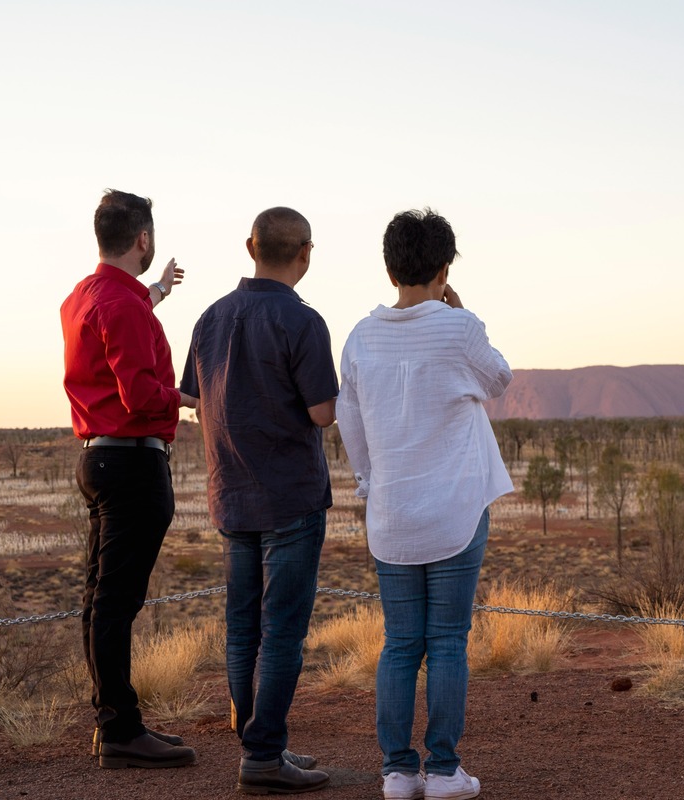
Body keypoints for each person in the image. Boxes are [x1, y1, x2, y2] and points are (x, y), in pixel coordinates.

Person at [336, 208, 513, 800]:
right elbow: (499, 380)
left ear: (390, 269)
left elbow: (350, 421)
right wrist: (457, 315)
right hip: (457, 511)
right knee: (447, 642)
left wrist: (369, 483)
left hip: (392, 512)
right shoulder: (460, 329)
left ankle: (396, 771)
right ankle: (442, 771)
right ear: (444, 268)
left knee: (399, 643)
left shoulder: (361, 336)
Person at [181, 207, 337, 795]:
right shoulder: (303, 322)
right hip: (289, 498)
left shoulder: (211, 317)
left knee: (242, 626)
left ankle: (258, 743)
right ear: (306, 253)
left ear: (251, 247)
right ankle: (264, 753)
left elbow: (193, 399)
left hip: (230, 494)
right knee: (283, 632)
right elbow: (323, 411)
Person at [61, 189, 198, 769]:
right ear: (142, 238)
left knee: (101, 598)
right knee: (116, 602)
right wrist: (189, 399)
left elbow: (126, 316)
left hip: (99, 457)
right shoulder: (121, 307)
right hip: (133, 463)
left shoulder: (84, 297)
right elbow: (140, 394)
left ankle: (117, 719)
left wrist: (159, 291)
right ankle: (119, 728)